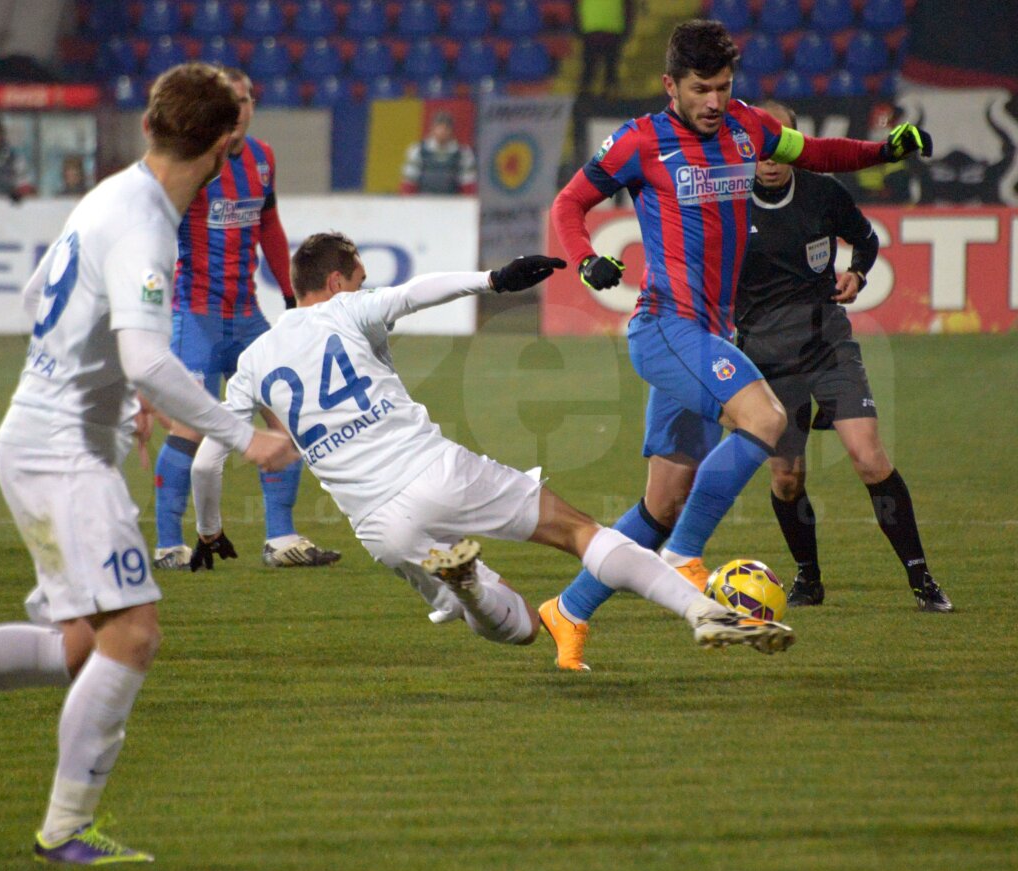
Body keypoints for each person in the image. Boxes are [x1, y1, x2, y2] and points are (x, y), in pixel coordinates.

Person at [0, 63, 298, 864]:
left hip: (44, 439)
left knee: (80, 646)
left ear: (151, 124)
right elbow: (148, 359)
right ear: (227, 144)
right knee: (134, 635)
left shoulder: (110, 196)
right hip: (61, 453)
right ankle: (65, 828)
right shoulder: (147, 227)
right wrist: (242, 435)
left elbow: (34, 296)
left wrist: (109, 388)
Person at [189, 232, 796, 669]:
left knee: (521, 629)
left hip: (378, 526)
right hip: (432, 470)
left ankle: (469, 588)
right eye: (359, 281)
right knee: (579, 531)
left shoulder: (252, 365)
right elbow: (414, 294)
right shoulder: (344, 309)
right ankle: (697, 611)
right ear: (335, 284)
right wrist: (494, 280)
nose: (364, 290)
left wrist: (211, 530)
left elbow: (208, 460)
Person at [543, 19, 933, 669]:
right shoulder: (640, 141)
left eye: (723, 87)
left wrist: (883, 151)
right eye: (701, 89)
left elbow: (818, 153)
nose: (714, 101)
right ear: (670, 85)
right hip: (666, 327)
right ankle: (685, 558)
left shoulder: (749, 127)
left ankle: (570, 609)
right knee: (768, 419)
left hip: (707, 335)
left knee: (660, 504)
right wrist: (585, 259)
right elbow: (568, 203)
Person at [736, 100, 951, 612]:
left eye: (779, 145)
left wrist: (857, 272)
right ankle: (808, 579)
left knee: (869, 457)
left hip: (826, 344)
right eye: (759, 148)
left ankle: (922, 580)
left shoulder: (823, 193)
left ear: (796, 145)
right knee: (787, 478)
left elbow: (866, 240)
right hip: (765, 360)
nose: (769, 158)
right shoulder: (728, 205)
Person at [153, 67, 340, 571]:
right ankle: (169, 544)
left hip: (246, 317)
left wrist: (292, 296)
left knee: (286, 416)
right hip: (195, 317)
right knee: (190, 427)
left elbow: (270, 226)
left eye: (247, 98)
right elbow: (153, 238)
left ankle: (280, 537)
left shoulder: (262, 158)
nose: (240, 108)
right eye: (231, 99)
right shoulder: (191, 163)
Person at [400, 112, 478, 195]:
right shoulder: (417, 150)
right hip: (423, 200)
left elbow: (468, 184)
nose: (442, 132)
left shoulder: (463, 153)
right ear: (432, 129)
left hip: (453, 201)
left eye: (446, 128)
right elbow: (409, 181)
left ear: (451, 130)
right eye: (439, 128)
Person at [578, 0, 630, 96]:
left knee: (590, 64)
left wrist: (578, 27)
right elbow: (628, 6)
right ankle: (609, 89)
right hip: (613, 27)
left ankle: (586, 89)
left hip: (591, 27)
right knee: (610, 64)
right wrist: (627, 28)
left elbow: (577, 5)